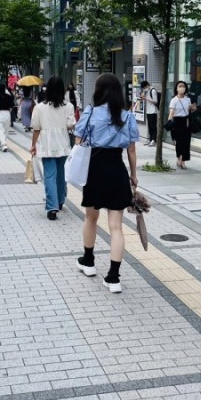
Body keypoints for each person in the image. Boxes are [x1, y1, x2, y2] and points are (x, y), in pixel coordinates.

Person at [73, 73, 139, 293]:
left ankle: (89, 262)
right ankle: (113, 278)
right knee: (116, 226)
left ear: (99, 90)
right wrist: (133, 175)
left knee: (91, 217)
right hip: (117, 170)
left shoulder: (90, 113)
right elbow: (131, 149)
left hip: (94, 170)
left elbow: (79, 142)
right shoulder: (127, 117)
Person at [30, 76, 75, 220]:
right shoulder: (68, 106)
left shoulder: (39, 107)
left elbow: (36, 128)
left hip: (46, 145)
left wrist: (33, 145)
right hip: (63, 144)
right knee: (61, 174)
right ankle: (60, 200)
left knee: (50, 175)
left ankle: (52, 207)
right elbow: (70, 125)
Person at [167, 80, 196, 169]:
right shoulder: (174, 100)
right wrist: (169, 122)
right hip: (177, 122)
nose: (182, 88)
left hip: (186, 121)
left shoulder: (188, 99)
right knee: (179, 142)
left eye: (183, 86)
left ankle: (183, 161)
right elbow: (171, 113)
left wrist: (193, 108)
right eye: (180, 86)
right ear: (176, 88)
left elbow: (191, 111)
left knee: (186, 142)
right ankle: (179, 157)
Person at [0, 82, 15, 152]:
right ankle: (2, 144)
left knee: (0, 130)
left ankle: (3, 144)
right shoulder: (9, 96)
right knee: (6, 130)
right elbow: (12, 106)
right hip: (7, 113)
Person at [140, 80, 158, 147]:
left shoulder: (153, 90)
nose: (144, 89)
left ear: (147, 85)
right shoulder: (147, 91)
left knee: (153, 126)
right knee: (150, 126)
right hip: (148, 111)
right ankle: (150, 140)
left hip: (153, 111)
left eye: (144, 87)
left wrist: (146, 98)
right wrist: (144, 98)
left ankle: (154, 140)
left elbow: (155, 101)